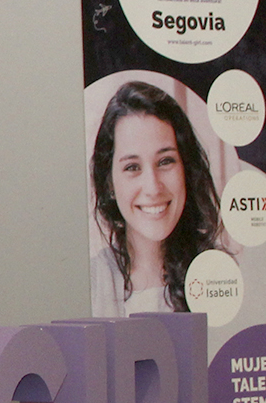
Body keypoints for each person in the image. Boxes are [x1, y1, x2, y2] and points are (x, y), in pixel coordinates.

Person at [90, 79, 226, 313]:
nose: (153, 187)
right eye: (132, 167)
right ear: (109, 182)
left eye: (165, 161)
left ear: (186, 168)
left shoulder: (220, 274)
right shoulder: (92, 283)